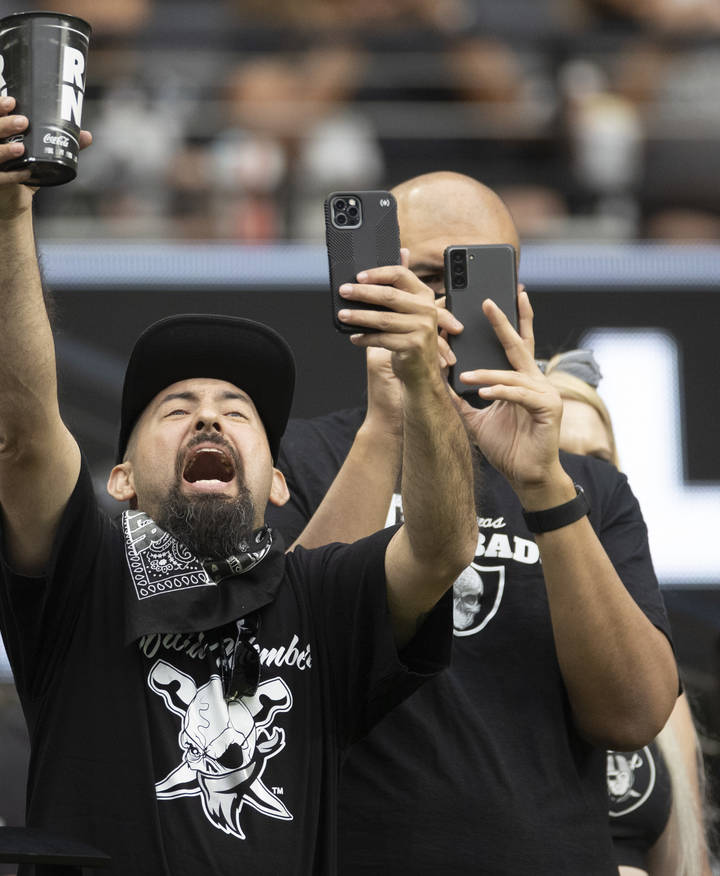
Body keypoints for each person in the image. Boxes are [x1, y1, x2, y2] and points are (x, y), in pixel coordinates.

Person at [0, 95, 478, 874]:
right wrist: (9, 217)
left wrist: (421, 385)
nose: (208, 416)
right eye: (176, 408)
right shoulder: (83, 578)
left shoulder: (318, 600)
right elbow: (22, 430)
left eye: (238, 413)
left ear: (278, 482)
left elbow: (441, 548)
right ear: (120, 480)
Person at [266, 171, 680, 874]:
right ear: (371, 289)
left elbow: (632, 718)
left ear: (515, 300)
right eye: (423, 278)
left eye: (469, 277)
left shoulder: (590, 487)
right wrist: (390, 424)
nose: (441, 309)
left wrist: (543, 485)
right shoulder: (299, 459)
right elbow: (283, 669)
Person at [545, 350, 712, 876]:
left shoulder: (651, 665)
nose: (580, 480)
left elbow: (686, 863)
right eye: (557, 455)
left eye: (599, 460)